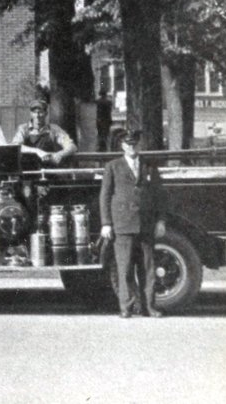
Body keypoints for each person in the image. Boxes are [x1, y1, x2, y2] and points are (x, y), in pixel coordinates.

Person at [100, 128, 167, 318]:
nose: (132, 147)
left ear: (140, 145)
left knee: (148, 268)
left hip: (145, 225)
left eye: (135, 144)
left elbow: (159, 195)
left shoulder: (149, 166)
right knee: (125, 268)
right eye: (128, 144)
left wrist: (160, 221)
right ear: (122, 146)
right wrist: (106, 223)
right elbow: (105, 196)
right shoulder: (112, 166)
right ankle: (126, 307)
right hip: (122, 225)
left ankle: (149, 307)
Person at [13, 99, 77, 166]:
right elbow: (16, 146)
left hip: (49, 169)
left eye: (40, 112)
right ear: (31, 114)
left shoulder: (54, 129)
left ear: (46, 113)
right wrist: (37, 151)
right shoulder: (23, 129)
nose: (37, 116)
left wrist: (60, 154)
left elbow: (72, 146)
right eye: (34, 112)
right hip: (29, 170)